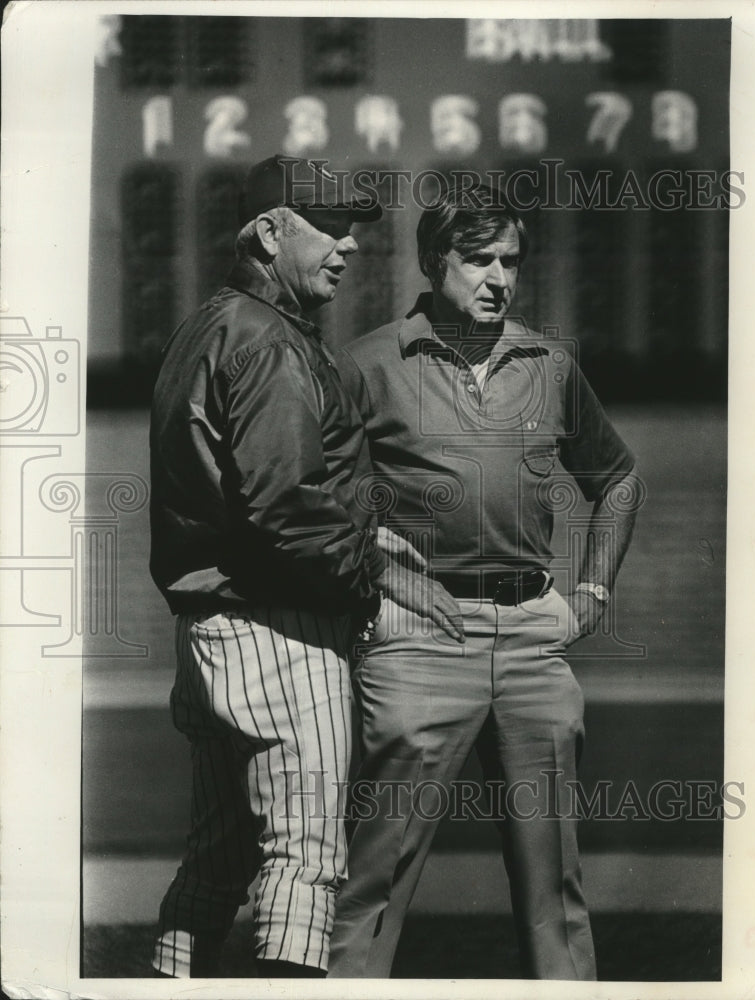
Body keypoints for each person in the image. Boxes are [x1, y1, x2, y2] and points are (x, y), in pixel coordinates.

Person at [148, 155, 463, 979]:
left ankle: (161, 982)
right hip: (277, 632)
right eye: (329, 225)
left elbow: (265, 495)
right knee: (305, 859)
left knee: (217, 861)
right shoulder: (268, 341)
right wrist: (379, 570)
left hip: (212, 631)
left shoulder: (210, 323)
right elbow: (282, 509)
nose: (349, 244)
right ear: (267, 231)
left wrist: (369, 535)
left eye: (354, 227)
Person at [327, 183, 641, 980]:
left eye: (510, 261)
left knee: (554, 888)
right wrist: (382, 577)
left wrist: (591, 593)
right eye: (478, 260)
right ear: (435, 263)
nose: (498, 277)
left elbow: (617, 478)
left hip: (534, 634)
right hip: (418, 643)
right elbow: (317, 500)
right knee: (374, 879)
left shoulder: (548, 363)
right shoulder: (366, 365)